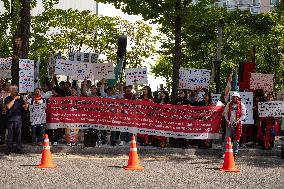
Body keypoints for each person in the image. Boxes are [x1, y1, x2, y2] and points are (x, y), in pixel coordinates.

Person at [5, 85, 28, 155]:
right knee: (10, 135)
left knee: (18, 135)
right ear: (11, 91)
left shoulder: (20, 98)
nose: (16, 92)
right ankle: (9, 149)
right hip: (10, 119)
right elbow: (8, 106)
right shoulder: (7, 98)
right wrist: (14, 99)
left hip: (18, 119)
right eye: (14, 91)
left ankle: (19, 148)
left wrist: (26, 103)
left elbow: (25, 108)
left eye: (17, 91)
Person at [221, 92, 246, 158]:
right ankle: (224, 152)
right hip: (229, 124)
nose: (235, 98)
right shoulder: (229, 104)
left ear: (238, 98)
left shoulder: (241, 105)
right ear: (232, 98)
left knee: (237, 139)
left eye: (236, 97)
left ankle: (235, 153)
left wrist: (238, 121)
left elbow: (243, 115)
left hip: (238, 125)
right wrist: (227, 121)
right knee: (227, 138)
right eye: (233, 97)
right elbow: (225, 113)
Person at [100, 79, 123, 146]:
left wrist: (120, 88)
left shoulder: (115, 97)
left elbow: (120, 95)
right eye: (108, 91)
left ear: (113, 91)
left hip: (114, 115)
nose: (109, 92)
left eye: (111, 91)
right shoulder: (105, 96)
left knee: (114, 128)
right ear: (106, 91)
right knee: (103, 127)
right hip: (105, 115)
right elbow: (101, 91)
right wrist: (103, 83)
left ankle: (113, 141)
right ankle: (104, 141)